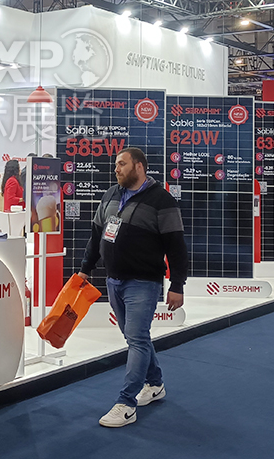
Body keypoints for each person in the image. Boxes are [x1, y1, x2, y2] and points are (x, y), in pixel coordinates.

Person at [77, 147, 187, 428]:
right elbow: (96, 235)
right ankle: (155, 384)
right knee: (134, 337)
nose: (116, 169)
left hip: (143, 282)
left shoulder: (162, 200)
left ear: (139, 166)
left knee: (137, 338)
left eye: (122, 164)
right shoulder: (111, 195)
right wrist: (85, 269)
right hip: (113, 279)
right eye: (116, 164)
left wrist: (177, 284)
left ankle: (126, 403)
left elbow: (176, 246)